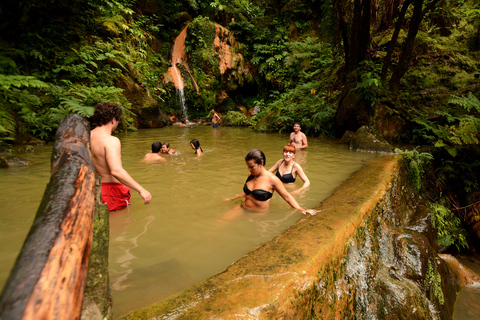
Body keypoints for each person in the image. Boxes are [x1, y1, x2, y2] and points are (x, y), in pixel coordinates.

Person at [90, 102, 152, 211]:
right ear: (113, 120)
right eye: (118, 121)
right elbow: (116, 170)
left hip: (92, 190)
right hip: (111, 192)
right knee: (119, 226)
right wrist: (141, 189)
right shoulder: (110, 141)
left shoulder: (84, 137)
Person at [224, 149, 314, 215]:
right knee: (218, 225)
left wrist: (301, 209)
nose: (249, 169)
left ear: (261, 164)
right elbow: (246, 193)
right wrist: (231, 199)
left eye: (251, 166)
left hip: (258, 214)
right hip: (242, 207)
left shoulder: (273, 179)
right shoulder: (251, 175)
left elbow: (287, 197)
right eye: (248, 166)